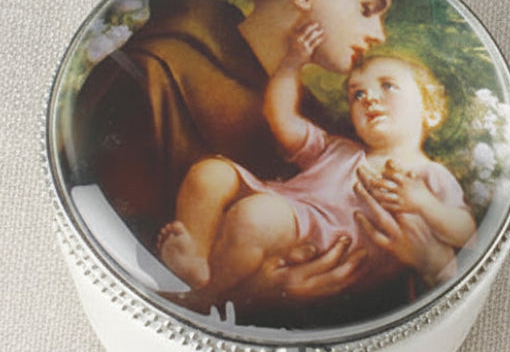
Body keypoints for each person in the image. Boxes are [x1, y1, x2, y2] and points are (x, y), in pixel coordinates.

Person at [71, 0, 442, 309]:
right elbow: (123, 241)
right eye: (367, 9)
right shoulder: (153, 73)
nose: (379, 33)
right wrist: (253, 292)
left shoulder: (325, 122)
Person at [157, 27, 474, 305]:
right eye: (357, 94)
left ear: (430, 110)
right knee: (210, 173)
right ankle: (195, 258)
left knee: (254, 216)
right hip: (279, 203)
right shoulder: (338, 149)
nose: (369, 98)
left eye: (388, 86)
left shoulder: (428, 176)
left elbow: (465, 231)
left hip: (314, 236)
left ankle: (206, 294)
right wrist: (292, 63)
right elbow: (280, 117)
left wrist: (425, 205)